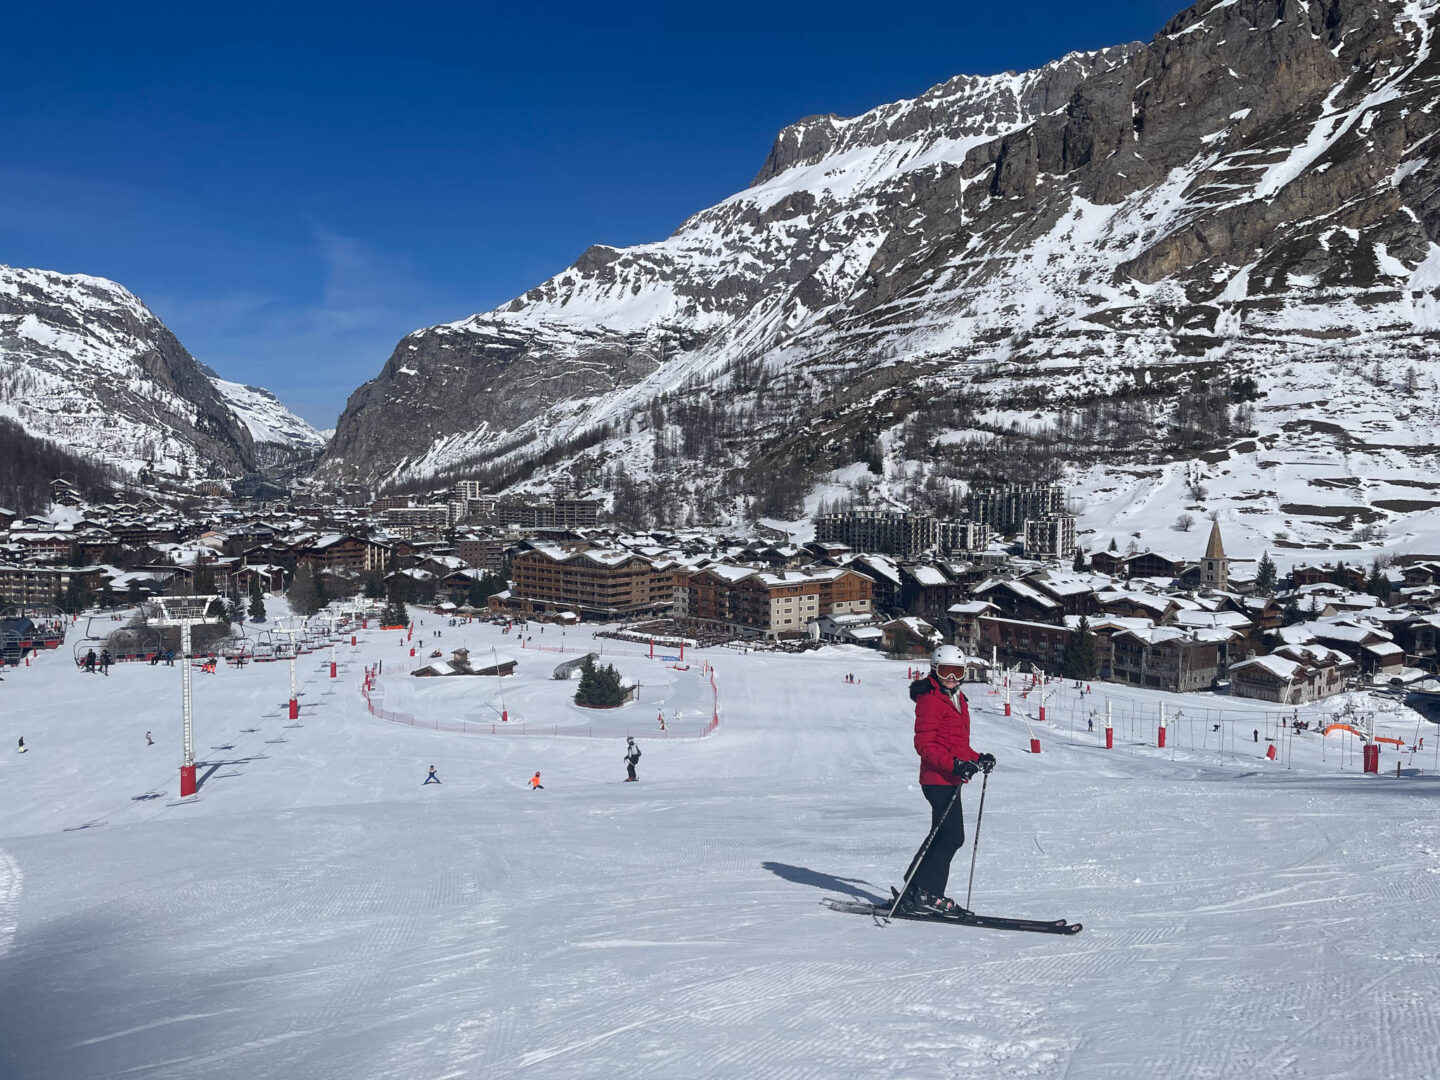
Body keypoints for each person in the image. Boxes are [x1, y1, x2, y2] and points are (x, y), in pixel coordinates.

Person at [898, 645, 995, 917]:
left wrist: (977, 758)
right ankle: (928, 894)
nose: (951, 677)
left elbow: (955, 743)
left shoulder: (956, 697)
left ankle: (915, 888)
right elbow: (925, 745)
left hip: (950, 777)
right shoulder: (930, 699)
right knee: (952, 837)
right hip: (937, 778)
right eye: (945, 671)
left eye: (957, 671)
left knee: (940, 836)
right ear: (934, 670)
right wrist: (955, 765)